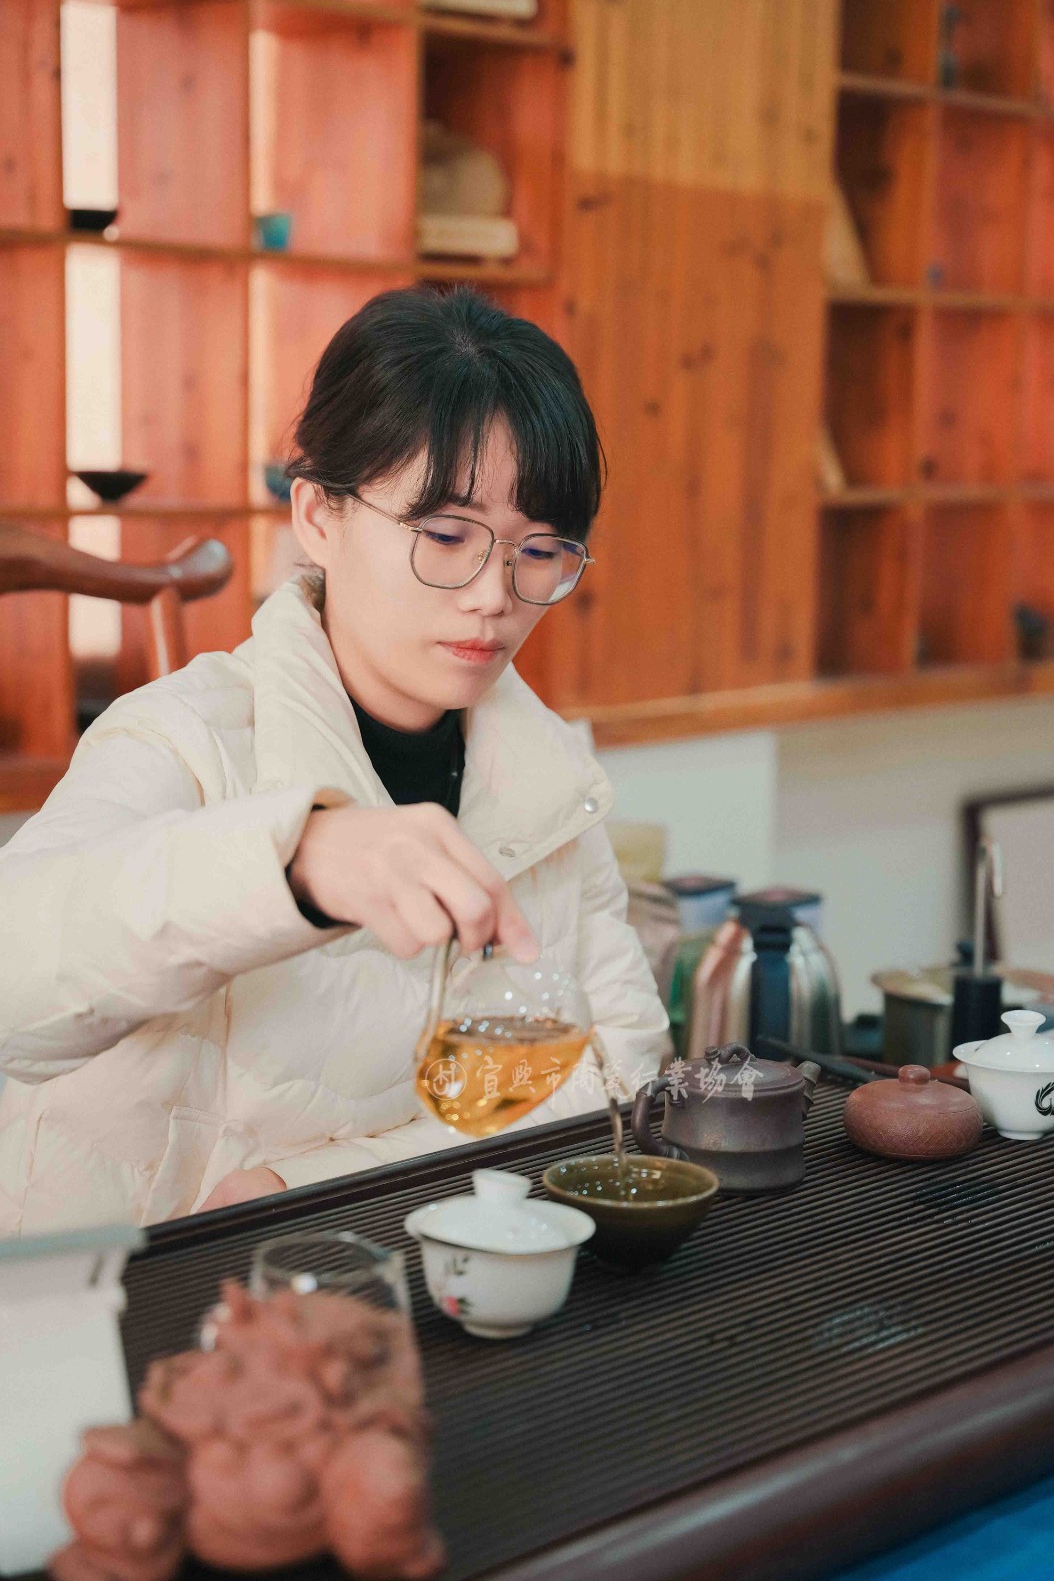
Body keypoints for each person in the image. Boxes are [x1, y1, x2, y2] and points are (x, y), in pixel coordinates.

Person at [0, 286, 669, 1235]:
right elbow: (17, 981)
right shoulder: (181, 736)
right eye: (447, 536)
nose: (494, 595)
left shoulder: (550, 780)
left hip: (367, 1275)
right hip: (122, 1292)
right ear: (318, 515)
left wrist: (313, 1184)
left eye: (539, 551)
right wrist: (294, 862)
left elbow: (615, 1078)